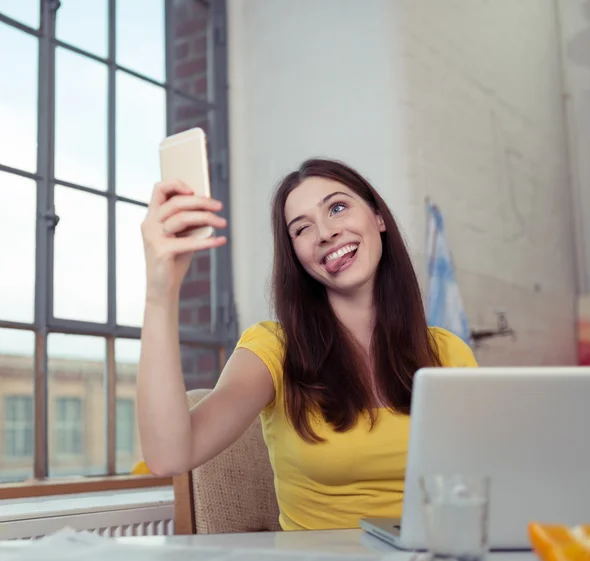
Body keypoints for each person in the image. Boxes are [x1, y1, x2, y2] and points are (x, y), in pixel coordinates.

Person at [137, 158, 477, 531]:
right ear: (296, 256)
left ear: (378, 218)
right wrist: (160, 292)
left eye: (337, 207)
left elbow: (490, 480)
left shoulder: (449, 352)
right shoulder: (273, 349)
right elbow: (169, 456)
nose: (326, 233)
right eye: (302, 229)